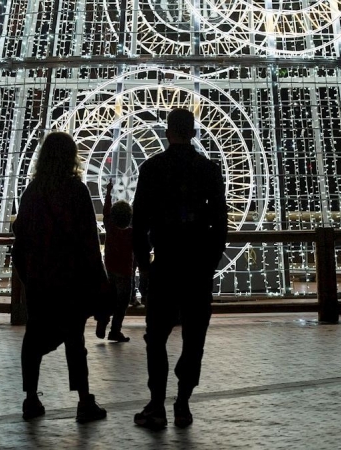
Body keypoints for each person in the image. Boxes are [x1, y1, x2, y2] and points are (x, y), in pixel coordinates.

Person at [131, 108, 228, 429]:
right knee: (194, 337)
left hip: (166, 263)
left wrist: (144, 265)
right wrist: (210, 261)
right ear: (194, 132)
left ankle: (156, 404)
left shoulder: (153, 168)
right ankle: (183, 402)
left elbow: (139, 222)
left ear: (168, 132)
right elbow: (220, 223)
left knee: (156, 337)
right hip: (197, 267)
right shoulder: (209, 170)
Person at [12, 131, 108, 423]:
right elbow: (89, 242)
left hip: (41, 283)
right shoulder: (76, 192)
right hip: (71, 282)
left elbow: (20, 241)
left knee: (34, 339)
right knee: (74, 341)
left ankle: (30, 397)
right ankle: (83, 400)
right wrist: (99, 281)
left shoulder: (31, 193)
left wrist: (29, 277)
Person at [96, 180, 136, 342]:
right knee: (121, 305)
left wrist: (108, 193)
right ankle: (115, 330)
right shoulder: (132, 234)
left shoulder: (110, 229)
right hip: (125, 274)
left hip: (110, 270)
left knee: (108, 300)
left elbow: (105, 213)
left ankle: (102, 320)